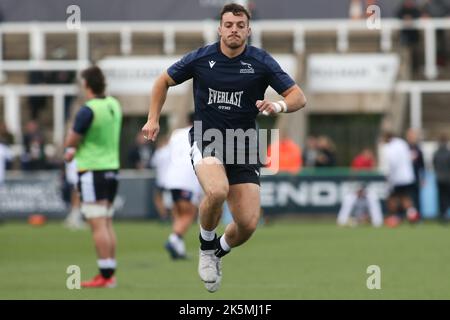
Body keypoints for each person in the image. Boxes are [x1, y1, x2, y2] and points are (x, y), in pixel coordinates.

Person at [141, 3, 306, 293]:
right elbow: (162, 81)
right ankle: (206, 248)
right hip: (208, 137)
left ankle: (218, 251)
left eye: (240, 25)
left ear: (248, 30)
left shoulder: (260, 61)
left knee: (248, 224)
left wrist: (277, 104)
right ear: (220, 28)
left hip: (244, 143)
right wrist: (153, 118)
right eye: (228, 25)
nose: (234, 30)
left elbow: (298, 97)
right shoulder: (202, 58)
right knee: (217, 191)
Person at [64, 66, 122, 288]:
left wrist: (70, 149)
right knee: (106, 222)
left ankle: (106, 276)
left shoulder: (87, 110)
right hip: (112, 169)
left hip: (92, 170)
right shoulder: (114, 104)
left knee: (97, 223)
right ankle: (109, 272)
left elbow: (71, 141)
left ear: (86, 85)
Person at [164, 113, 203, 259]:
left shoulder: (176, 134)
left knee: (179, 214)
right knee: (189, 213)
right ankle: (173, 239)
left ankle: (179, 249)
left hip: (172, 177)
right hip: (187, 178)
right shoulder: (201, 133)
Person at [380, 131, 419, 224]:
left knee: (392, 198)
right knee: (405, 198)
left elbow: (391, 163)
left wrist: (387, 175)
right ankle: (413, 216)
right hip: (408, 177)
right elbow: (411, 156)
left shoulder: (389, 147)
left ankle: (394, 217)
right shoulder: (402, 143)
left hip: (397, 178)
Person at [150, 135, 171, 222]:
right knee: (172, 200)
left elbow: (152, 163)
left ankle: (164, 216)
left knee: (158, 198)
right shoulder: (172, 151)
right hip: (172, 180)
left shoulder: (159, 152)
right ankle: (173, 217)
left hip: (161, 180)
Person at [405, 128, 425, 215]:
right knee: (407, 197)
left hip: (415, 177)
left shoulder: (418, 149)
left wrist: (422, 178)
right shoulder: (404, 148)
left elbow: (422, 165)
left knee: (416, 197)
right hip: (405, 177)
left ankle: (418, 216)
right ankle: (407, 215)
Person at [432, 133, 450, 223]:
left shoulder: (436, 153)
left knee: (441, 198)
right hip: (448, 178)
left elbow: (434, 165)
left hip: (439, 178)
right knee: (447, 197)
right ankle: (445, 215)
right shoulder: (448, 153)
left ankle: (442, 215)